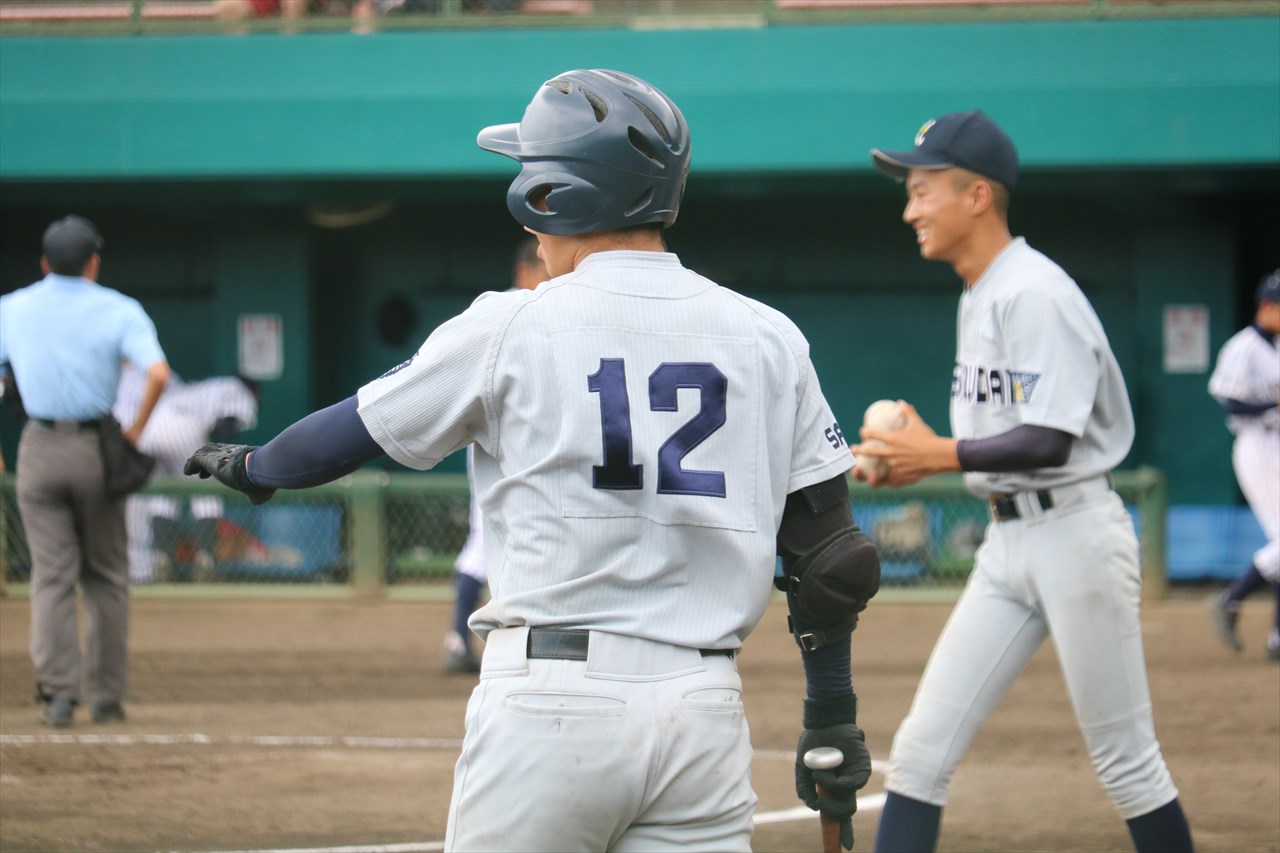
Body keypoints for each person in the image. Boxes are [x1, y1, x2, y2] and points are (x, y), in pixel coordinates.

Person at [184, 68, 880, 852]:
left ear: (555, 194)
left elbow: (341, 436)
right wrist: (830, 712)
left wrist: (255, 466)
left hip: (553, 703)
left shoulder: (512, 323)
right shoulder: (768, 335)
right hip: (703, 711)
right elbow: (832, 559)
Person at [855, 110, 1194, 853]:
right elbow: (1003, 432)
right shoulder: (981, 292)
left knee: (1128, 763)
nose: (910, 209)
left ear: (977, 195)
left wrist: (937, 454)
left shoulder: (1032, 291)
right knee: (919, 753)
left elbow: (1049, 437)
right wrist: (914, 451)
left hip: (1075, 536)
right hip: (1008, 543)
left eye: (922, 190)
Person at [0, 215, 171, 728]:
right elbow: (158, 373)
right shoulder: (119, 308)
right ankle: (106, 698)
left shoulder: (12, 307)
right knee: (106, 576)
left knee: (51, 578)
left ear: (44, 263)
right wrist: (134, 431)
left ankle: (58, 696)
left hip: (39, 445)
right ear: (93, 262)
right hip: (98, 448)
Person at [443, 236, 549, 674]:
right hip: (500, 447)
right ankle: (458, 638)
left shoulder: (550, 309)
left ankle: (463, 638)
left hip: (527, 445)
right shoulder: (504, 310)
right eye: (542, 270)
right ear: (525, 272)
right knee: (482, 543)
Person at [113, 364, 260, 583]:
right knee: (206, 492)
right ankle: (206, 560)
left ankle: (161, 557)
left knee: (164, 495)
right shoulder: (237, 388)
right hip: (182, 425)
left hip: (150, 427)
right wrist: (225, 462)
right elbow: (227, 423)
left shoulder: (202, 387)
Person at [1207, 269, 1280, 662]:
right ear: (1266, 306)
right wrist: (1272, 405)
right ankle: (1231, 597)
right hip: (1257, 446)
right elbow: (1231, 404)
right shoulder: (1242, 348)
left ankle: (1277, 637)